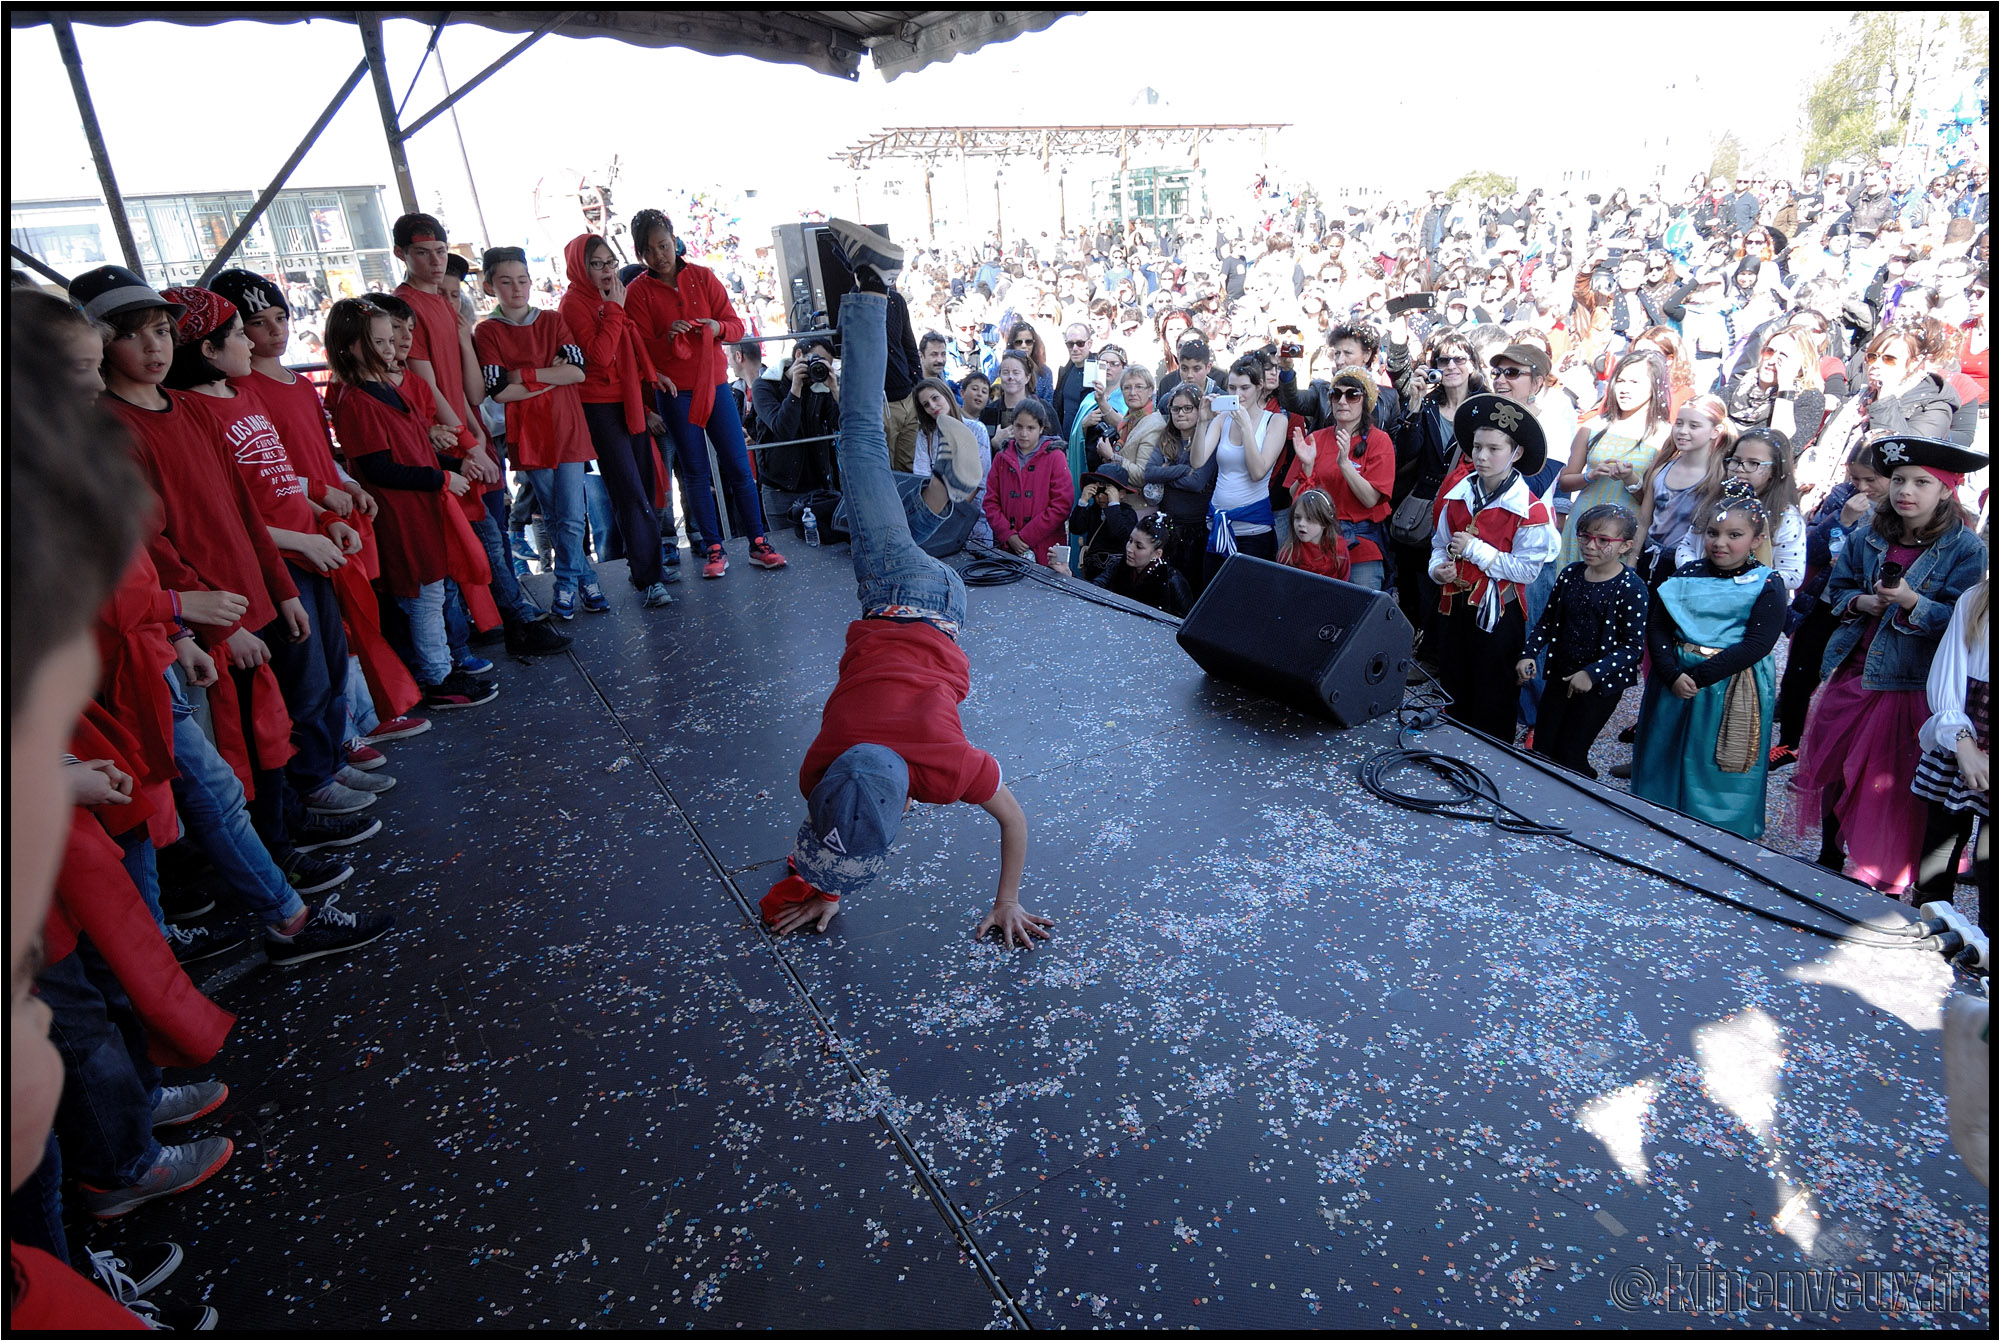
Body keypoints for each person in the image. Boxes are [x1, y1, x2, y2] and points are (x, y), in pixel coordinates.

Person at [10, 283, 214, 1332]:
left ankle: (105, 1168)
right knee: (72, 1002)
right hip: (70, 790)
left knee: (93, 978)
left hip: (102, 749)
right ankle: (102, 1193)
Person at [758, 221, 1052, 948]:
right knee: (856, 437)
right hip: (893, 588)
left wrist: (1007, 901)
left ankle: (938, 496)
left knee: (877, 487)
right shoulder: (819, 763)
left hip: (950, 611)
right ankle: (874, 290)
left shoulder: (941, 767)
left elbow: (1012, 819)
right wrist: (822, 876)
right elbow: (838, 796)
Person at [1793, 435, 1988, 895]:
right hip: (1854, 670)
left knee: (1889, 780)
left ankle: (1880, 869)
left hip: (1909, 681)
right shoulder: (1869, 534)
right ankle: (1829, 854)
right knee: (1837, 765)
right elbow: (1835, 590)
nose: (1907, 491)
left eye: (1923, 482)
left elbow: (1962, 623)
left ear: (1947, 490)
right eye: (1899, 479)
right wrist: (1860, 602)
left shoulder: (1965, 550)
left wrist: (1912, 602)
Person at [323, 299, 499, 711]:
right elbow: (378, 469)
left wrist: (454, 464)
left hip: (418, 509)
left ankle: (438, 669)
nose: (390, 348)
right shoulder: (357, 401)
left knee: (431, 594)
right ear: (350, 346)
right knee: (424, 598)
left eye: (390, 340)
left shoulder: (385, 388)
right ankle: (438, 677)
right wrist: (442, 476)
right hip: (400, 515)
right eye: (378, 341)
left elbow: (414, 449)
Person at [626, 209, 787, 578]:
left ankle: (758, 542)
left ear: (674, 241)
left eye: (664, 245)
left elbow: (735, 325)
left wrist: (715, 327)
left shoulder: (702, 276)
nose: (660, 255)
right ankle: (713, 547)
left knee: (738, 466)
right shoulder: (637, 293)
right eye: (650, 251)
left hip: (714, 385)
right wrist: (665, 341)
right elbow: (639, 351)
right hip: (674, 392)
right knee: (696, 471)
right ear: (641, 255)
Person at [1631, 480, 1788, 839]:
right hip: (1675, 677)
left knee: (1716, 755)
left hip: (1728, 682)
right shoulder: (1685, 574)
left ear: (1757, 539)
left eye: (1735, 535)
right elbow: (1657, 627)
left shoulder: (1767, 583)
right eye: (1713, 533)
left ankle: (1717, 827)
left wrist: (1699, 677)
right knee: (1664, 744)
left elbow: (1756, 645)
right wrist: (1670, 673)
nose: (1720, 543)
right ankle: (1657, 811)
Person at [474, 246, 613, 629]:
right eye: (506, 281)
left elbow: (578, 373)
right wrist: (544, 374)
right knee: (558, 515)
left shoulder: (552, 320)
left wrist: (523, 375)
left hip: (566, 426)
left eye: (522, 279)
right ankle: (585, 581)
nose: (517, 288)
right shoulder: (487, 331)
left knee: (569, 513)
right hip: (528, 434)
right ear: (490, 286)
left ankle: (565, 585)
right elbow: (500, 392)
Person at [1426, 393, 1559, 740]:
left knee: (1494, 694)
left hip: (1499, 615)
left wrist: (1477, 551)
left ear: (1515, 453)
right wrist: (1438, 568)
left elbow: (1527, 571)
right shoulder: (1458, 494)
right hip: (1454, 607)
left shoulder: (1530, 510)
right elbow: (1439, 545)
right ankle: (1453, 751)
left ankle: (1489, 762)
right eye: (1477, 446)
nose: (1482, 456)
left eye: (1494, 448)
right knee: (1454, 683)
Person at [556, 234, 677, 608]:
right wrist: (612, 310)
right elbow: (600, 356)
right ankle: (650, 578)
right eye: (598, 264)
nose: (608, 271)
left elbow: (631, 344)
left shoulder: (613, 296)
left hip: (629, 399)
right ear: (580, 266)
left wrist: (652, 374)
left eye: (611, 262)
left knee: (644, 483)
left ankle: (648, 567)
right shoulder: (574, 303)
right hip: (600, 406)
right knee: (629, 490)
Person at [1772, 442, 1891, 770]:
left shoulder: (1900, 511)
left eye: (1871, 480)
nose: (1862, 488)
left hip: (1869, 611)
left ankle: (1834, 759)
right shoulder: (1844, 497)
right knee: (1799, 674)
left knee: (1847, 686)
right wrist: (1844, 519)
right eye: (1856, 479)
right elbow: (1815, 548)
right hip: (1826, 601)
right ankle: (1789, 744)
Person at [1517, 503, 1648, 778]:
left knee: (1571, 754)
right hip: (1560, 675)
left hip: (1599, 687)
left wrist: (1591, 673)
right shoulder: (1570, 574)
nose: (1590, 545)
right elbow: (1548, 621)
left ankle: (1578, 793)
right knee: (1543, 746)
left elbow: (1632, 647)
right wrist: (1529, 652)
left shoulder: (1631, 587)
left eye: (1603, 540)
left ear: (1625, 546)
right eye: (1585, 536)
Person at [1912, 580, 1990, 927]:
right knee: (1940, 842)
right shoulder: (1976, 599)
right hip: (1964, 731)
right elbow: (1949, 673)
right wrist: (1963, 743)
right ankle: (1931, 923)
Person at [1555, 349, 1673, 569]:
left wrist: (1631, 479)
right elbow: (1564, 481)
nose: (1625, 389)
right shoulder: (1593, 425)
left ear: (1654, 386)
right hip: (1583, 524)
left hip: (1622, 535)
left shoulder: (1665, 436)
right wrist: (1590, 475)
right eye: (1620, 380)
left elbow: (1656, 502)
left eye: (1635, 382)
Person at [1286, 365, 1394, 590]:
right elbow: (1294, 496)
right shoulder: (1315, 437)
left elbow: (1370, 499)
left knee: (1360, 616)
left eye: (1352, 394)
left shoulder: (1379, 440)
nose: (1342, 401)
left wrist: (1345, 464)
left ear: (1365, 401)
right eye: (1336, 394)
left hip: (1360, 547)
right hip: (1315, 545)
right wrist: (1307, 466)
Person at [1671, 427, 1807, 591]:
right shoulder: (1715, 502)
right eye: (1735, 460)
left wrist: (1735, 581)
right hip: (1698, 593)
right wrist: (1699, 572)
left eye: (1753, 463)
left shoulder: (1786, 516)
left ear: (1775, 469)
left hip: (1750, 605)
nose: (1740, 468)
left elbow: (1793, 576)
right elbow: (1686, 546)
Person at [1192, 356, 1286, 586]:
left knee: (1246, 605)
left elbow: (1258, 471)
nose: (1238, 394)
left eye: (1245, 388)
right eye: (1232, 388)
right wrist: (1202, 422)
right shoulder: (1223, 418)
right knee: (1212, 597)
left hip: (1253, 530)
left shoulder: (1275, 421)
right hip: (1218, 524)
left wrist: (1246, 428)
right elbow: (1197, 461)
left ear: (1259, 388)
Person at [1634, 395, 1731, 589]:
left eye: (1694, 426)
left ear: (1715, 431)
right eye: (1679, 423)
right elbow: (1644, 521)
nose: (1682, 431)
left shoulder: (1719, 478)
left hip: (1687, 566)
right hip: (1648, 557)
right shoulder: (1662, 469)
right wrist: (1632, 560)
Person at [982, 397, 1073, 567]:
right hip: (1009, 546)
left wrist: (1025, 537)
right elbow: (990, 502)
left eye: (1030, 428)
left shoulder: (1055, 457)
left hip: (1048, 547)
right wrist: (1008, 535)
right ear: (1012, 426)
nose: (1024, 433)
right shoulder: (1001, 458)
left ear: (1041, 429)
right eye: (1019, 427)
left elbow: (1062, 504)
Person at [1143, 385, 1216, 591]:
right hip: (1168, 525)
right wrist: (1184, 469)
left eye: (1187, 408)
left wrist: (1166, 472)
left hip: (1196, 529)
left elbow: (1197, 483)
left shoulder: (1208, 439)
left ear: (1198, 409)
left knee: (1189, 587)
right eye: (1176, 409)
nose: (1181, 413)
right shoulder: (1167, 438)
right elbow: (1149, 473)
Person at [1092, 512, 1196, 616]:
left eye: (1139, 546)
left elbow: (1186, 622)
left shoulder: (1172, 581)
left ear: (1157, 554)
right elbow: (1097, 586)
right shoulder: (1120, 565)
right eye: (1130, 540)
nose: (1129, 548)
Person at [1277, 487, 1351, 580]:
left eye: (1309, 519)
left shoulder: (1338, 551)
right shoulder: (1289, 553)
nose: (1301, 524)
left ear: (1324, 522)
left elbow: (1344, 582)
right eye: (1297, 517)